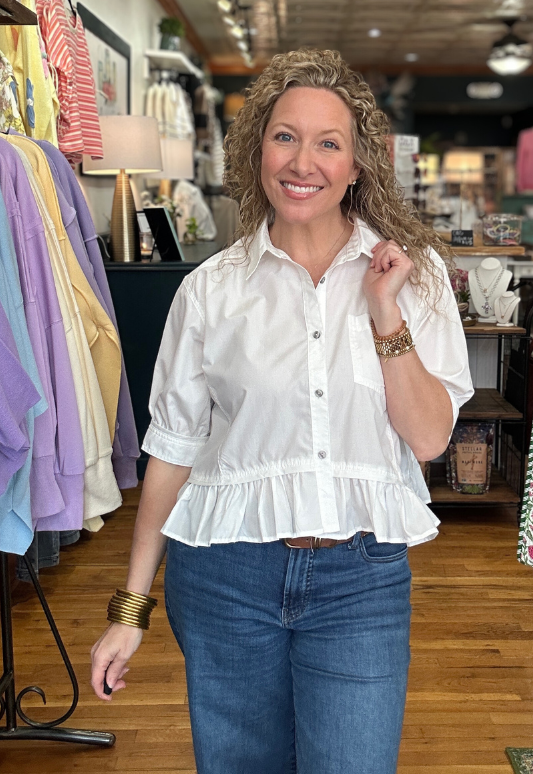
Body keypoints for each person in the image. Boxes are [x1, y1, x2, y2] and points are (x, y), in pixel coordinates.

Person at [90, 48, 473, 774]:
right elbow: (171, 452)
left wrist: (384, 317)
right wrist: (128, 612)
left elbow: (427, 439)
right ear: (258, 150)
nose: (304, 162)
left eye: (329, 143)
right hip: (225, 578)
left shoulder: (410, 280)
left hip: (359, 580)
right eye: (285, 136)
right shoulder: (209, 293)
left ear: (358, 165)